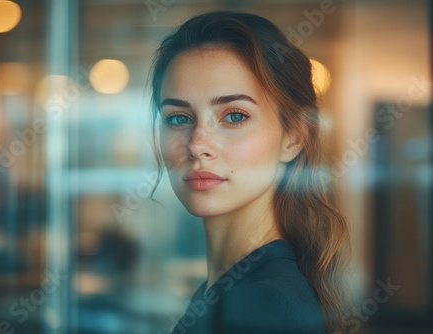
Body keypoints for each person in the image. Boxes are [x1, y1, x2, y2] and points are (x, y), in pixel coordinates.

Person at [148, 11, 350, 334]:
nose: (198, 144)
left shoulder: (264, 304)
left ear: (293, 137)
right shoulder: (226, 290)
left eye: (235, 116)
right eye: (179, 118)